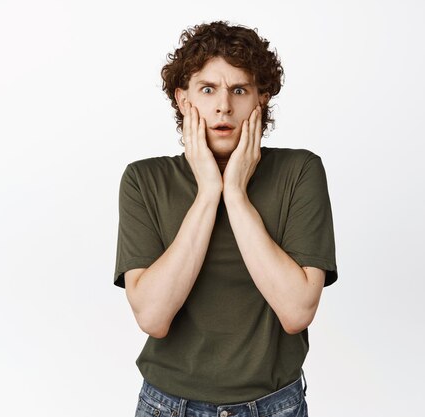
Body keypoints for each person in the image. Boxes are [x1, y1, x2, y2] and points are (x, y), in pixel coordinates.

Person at [113, 21, 338, 417]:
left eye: (239, 90)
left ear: (261, 99)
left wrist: (235, 193)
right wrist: (208, 193)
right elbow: (153, 317)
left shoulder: (300, 171)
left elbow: (297, 311)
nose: (223, 106)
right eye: (207, 89)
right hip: (168, 406)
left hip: (274, 406)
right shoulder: (144, 180)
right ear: (183, 100)